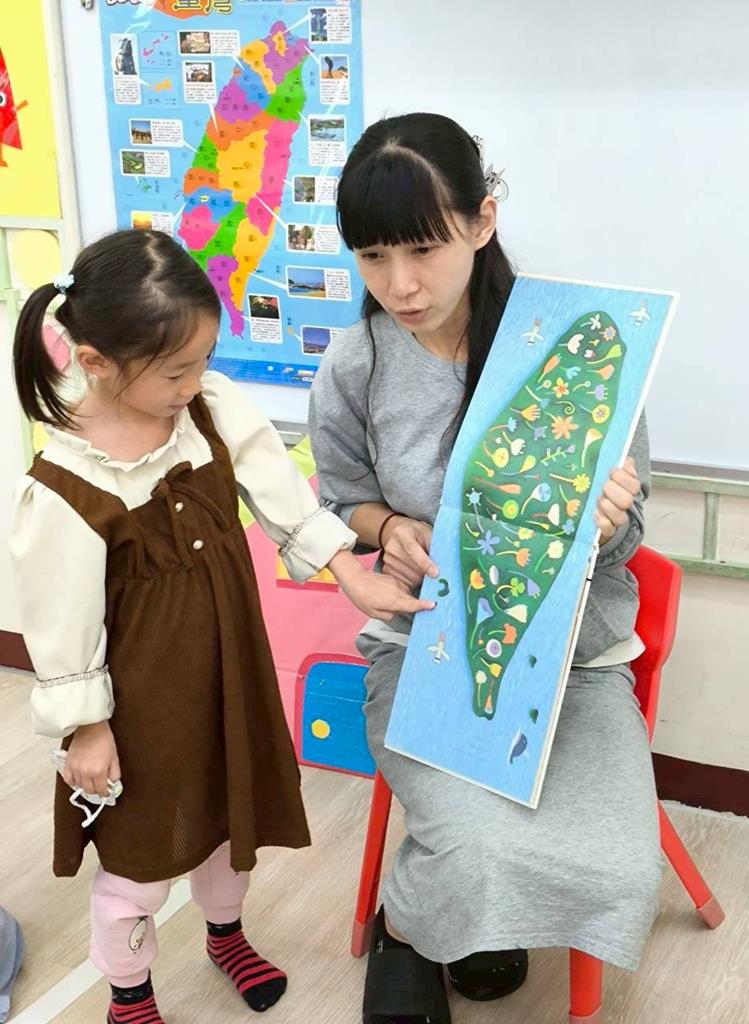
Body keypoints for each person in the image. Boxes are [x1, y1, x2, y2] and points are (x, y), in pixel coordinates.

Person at [10, 229, 430, 1024]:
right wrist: (86, 728)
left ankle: (225, 934)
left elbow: (281, 496)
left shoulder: (208, 406)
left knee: (227, 823)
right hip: (140, 705)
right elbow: (60, 625)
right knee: (140, 859)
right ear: (96, 361)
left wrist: (351, 572)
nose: (194, 381)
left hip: (227, 670)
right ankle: (128, 992)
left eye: (202, 360)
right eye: (175, 370)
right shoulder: (66, 480)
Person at [309, 112, 661, 1024]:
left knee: (622, 866)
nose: (399, 284)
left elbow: (624, 536)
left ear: (481, 221)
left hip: (575, 656)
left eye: (422, 249)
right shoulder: (356, 362)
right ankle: (410, 927)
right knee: (470, 843)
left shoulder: (573, 343)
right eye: (372, 256)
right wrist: (386, 525)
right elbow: (340, 495)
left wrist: (604, 522)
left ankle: (466, 917)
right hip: (423, 645)